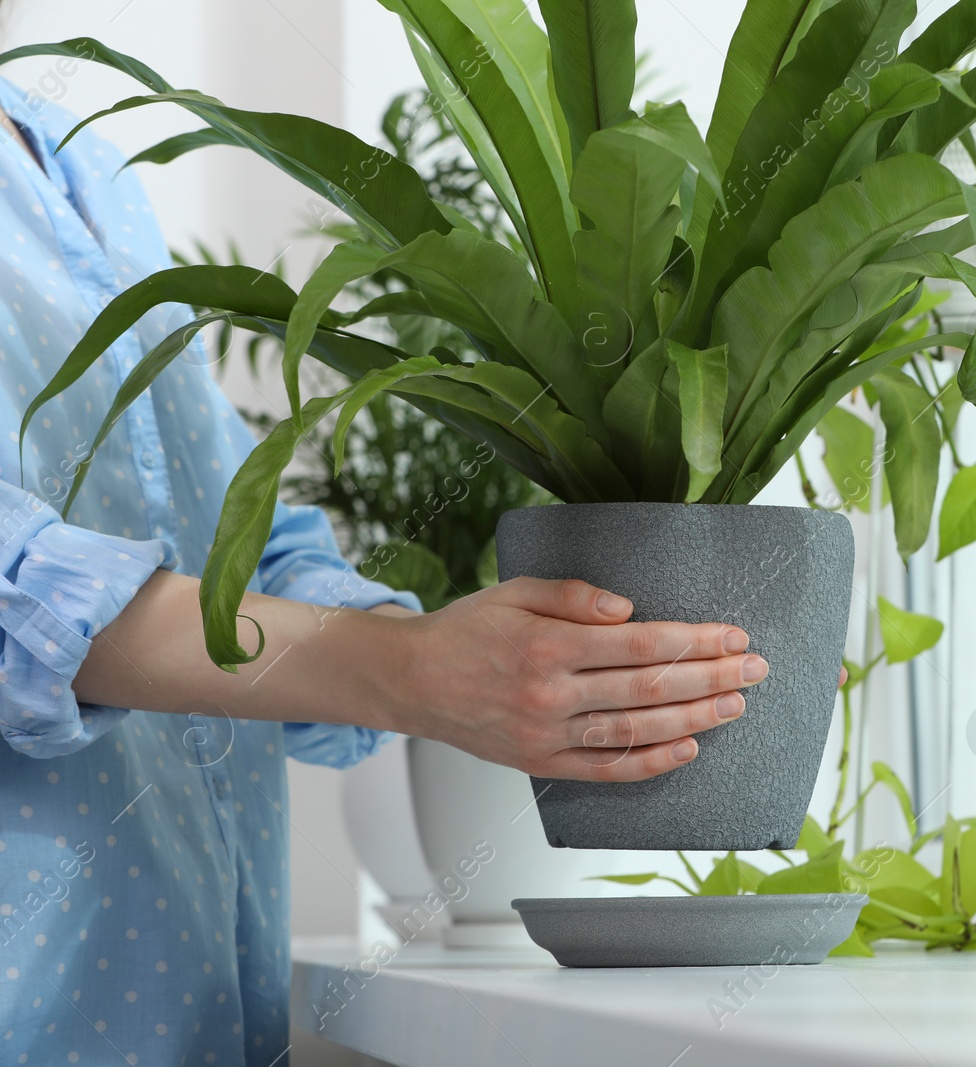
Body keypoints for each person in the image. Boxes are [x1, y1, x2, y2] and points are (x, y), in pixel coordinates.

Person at [0, 48, 779, 1067]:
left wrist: (502, 660)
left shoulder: (85, 164)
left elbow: (245, 537)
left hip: (207, 1015)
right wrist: (415, 672)